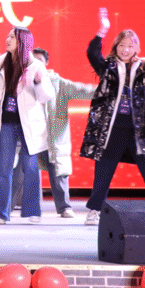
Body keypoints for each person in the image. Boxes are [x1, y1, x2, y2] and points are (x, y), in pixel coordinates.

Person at [80, 8, 145, 225]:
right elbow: (92, 54)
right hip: (111, 129)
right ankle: (95, 210)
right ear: (115, 46)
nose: (125, 50)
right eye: (121, 45)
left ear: (136, 48)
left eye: (130, 46)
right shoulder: (108, 67)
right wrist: (102, 30)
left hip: (138, 130)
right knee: (104, 170)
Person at [0, 26, 54, 225]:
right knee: (4, 169)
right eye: (8, 36)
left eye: (12, 37)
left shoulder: (36, 66)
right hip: (6, 123)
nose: (7, 39)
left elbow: (46, 96)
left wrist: (38, 83)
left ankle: (32, 210)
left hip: (29, 125)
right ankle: (0, 213)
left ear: (22, 41)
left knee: (30, 167)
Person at [33, 47, 97, 218]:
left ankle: (64, 207)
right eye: (33, 60)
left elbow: (81, 89)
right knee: (26, 171)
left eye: (40, 60)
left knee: (58, 172)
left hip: (53, 135)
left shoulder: (58, 83)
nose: (36, 63)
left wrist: (107, 89)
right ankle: (26, 208)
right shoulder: (24, 82)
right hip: (31, 134)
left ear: (47, 62)